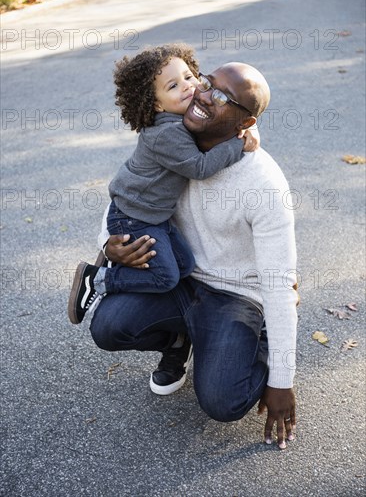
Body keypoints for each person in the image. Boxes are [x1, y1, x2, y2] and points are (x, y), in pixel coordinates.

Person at [90, 62, 298, 449]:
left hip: (235, 296)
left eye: (221, 97)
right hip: (182, 279)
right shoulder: (174, 140)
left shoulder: (264, 184)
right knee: (107, 327)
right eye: (206, 83)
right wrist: (108, 242)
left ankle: (260, 339)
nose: (201, 95)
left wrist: (281, 381)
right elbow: (131, 193)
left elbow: (280, 284)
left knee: (224, 402)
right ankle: (178, 340)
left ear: (244, 121)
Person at [68, 44, 259, 324]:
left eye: (189, 77)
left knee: (184, 265)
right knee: (165, 276)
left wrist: (244, 125)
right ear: (157, 104)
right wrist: (238, 143)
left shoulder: (180, 121)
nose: (187, 86)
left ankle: (179, 330)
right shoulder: (167, 133)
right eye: (173, 86)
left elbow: (222, 119)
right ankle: (98, 279)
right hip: (134, 218)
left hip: (154, 216)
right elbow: (200, 167)